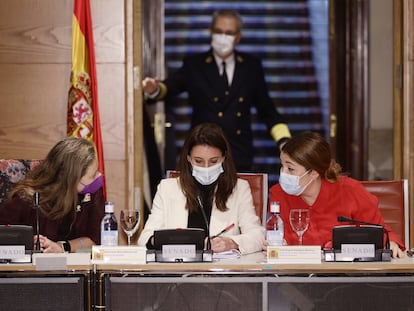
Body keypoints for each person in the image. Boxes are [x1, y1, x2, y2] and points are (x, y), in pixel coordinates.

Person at [142, 9, 291, 172]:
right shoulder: (195, 65)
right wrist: (154, 89)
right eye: (219, 32)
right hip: (202, 154)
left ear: (238, 37)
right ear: (211, 33)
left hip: (238, 155)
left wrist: (284, 141)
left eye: (229, 33)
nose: (223, 37)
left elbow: (267, 109)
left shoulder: (251, 67)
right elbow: (169, 87)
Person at [268, 131, 405, 258]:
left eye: (290, 168)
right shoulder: (278, 194)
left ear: (314, 173)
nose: (283, 173)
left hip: (346, 275)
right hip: (296, 277)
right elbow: (276, 241)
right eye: (282, 166)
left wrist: (391, 244)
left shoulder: (351, 190)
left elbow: (380, 233)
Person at [138, 123, 265, 254]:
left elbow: (258, 235)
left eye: (213, 161)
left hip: (221, 270)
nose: (206, 167)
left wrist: (231, 242)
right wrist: (163, 240)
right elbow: (144, 238)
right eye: (198, 161)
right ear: (188, 158)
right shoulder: (167, 188)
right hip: (177, 269)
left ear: (223, 158)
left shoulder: (239, 189)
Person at [0, 137, 105, 253]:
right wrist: (29, 245)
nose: (99, 177)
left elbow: (96, 238)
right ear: (69, 179)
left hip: (76, 267)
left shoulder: (92, 192)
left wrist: (62, 247)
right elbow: (6, 238)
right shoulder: (27, 200)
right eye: (93, 175)